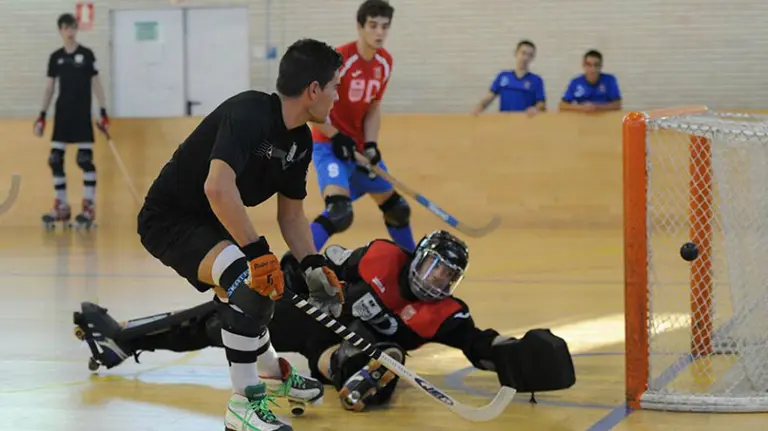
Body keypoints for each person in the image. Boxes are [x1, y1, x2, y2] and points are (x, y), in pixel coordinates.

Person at [83, 38, 345, 431]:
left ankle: (271, 372)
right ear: (313, 90)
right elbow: (217, 187)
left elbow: (291, 214)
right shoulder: (249, 113)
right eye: (335, 86)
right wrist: (257, 253)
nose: (337, 96)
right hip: (170, 219)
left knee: (250, 289)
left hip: (213, 223)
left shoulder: (300, 141)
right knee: (248, 283)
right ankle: (243, 406)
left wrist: (313, 264)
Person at [73, 230, 576, 414]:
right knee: (219, 321)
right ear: (415, 257)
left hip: (336, 352)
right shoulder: (380, 256)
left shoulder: (445, 314)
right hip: (312, 319)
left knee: (367, 356)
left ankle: (362, 374)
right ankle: (125, 340)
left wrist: (518, 358)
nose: (436, 281)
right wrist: (293, 273)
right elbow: (324, 268)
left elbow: (479, 345)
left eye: (447, 276)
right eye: (431, 268)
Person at [308, 0, 417, 253]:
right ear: (360, 26)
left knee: (398, 210)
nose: (379, 32)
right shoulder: (338, 61)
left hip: (357, 148)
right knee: (339, 212)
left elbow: (373, 108)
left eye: (385, 27)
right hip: (328, 145)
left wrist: (370, 144)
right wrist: (336, 136)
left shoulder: (385, 63)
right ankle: (295, 265)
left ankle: (411, 267)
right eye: (373, 25)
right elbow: (312, 109)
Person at [36, 13, 110, 229]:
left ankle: (88, 207)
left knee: (85, 160)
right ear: (60, 30)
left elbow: (96, 83)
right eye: (67, 27)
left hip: (82, 116)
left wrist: (103, 111)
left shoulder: (86, 55)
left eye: (73, 27)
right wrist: (41, 115)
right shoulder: (55, 57)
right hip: (62, 115)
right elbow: (49, 87)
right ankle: (61, 206)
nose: (71, 31)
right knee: (55, 160)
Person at [472, 40, 546, 116]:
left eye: (529, 55)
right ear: (516, 53)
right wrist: (479, 107)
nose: (525, 58)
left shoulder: (536, 80)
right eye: (523, 53)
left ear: (533, 58)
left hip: (526, 123)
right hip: (505, 123)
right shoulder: (503, 76)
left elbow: (541, 104)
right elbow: (489, 97)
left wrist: (535, 109)